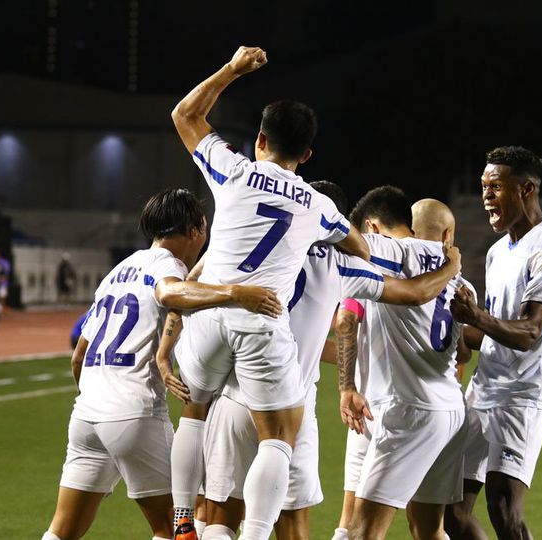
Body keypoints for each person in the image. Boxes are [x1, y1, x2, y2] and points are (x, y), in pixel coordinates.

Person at [157, 181, 462, 540]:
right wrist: (451, 265)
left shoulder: (246, 245)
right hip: (292, 405)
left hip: (235, 397)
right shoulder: (340, 262)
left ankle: (182, 519)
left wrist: (167, 347)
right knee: (293, 525)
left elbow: (185, 288)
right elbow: (412, 294)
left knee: (220, 515)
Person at [168, 46, 370, 540]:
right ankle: (256, 535)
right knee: (278, 437)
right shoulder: (319, 205)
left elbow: (185, 114)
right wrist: (325, 234)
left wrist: (233, 69)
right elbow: (360, 246)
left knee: (195, 409)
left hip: (213, 309)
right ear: (306, 155)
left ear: (259, 139)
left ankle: (180, 521)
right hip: (262, 318)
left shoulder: (234, 170)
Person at [41, 188, 283, 540]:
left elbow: (79, 355)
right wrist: (235, 293)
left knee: (62, 530)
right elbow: (169, 293)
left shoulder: (117, 271)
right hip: (133, 413)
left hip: (86, 417)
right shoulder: (168, 267)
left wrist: (99, 399)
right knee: (178, 525)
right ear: (197, 230)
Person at [446, 146, 542, 540]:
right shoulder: (497, 251)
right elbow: (491, 328)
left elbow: (530, 332)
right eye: (483, 186)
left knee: (503, 506)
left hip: (523, 395)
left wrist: (475, 317)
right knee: (450, 511)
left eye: (495, 186)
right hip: (484, 389)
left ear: (526, 189)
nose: (486, 195)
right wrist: (445, 328)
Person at [335, 189, 477, 540]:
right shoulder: (462, 282)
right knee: (429, 531)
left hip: (407, 410)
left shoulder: (399, 251)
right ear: (448, 236)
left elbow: (351, 242)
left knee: (360, 531)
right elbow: (461, 352)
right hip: (450, 411)